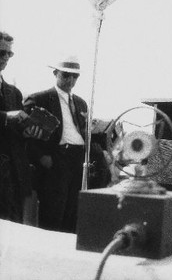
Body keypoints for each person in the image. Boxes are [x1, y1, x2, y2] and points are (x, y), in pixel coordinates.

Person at [24, 55, 109, 233]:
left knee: (73, 210)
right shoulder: (40, 98)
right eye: (66, 75)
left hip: (78, 159)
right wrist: (41, 156)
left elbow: (85, 132)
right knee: (54, 211)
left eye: (75, 76)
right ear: (55, 73)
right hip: (57, 158)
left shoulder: (80, 102)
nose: (70, 80)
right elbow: (26, 133)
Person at [0, 31, 42, 222]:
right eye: (2, 52)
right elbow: (9, 119)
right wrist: (7, 117)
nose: (6, 58)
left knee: (11, 231)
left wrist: (28, 131)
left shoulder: (14, 92)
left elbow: (17, 132)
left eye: (9, 54)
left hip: (11, 176)